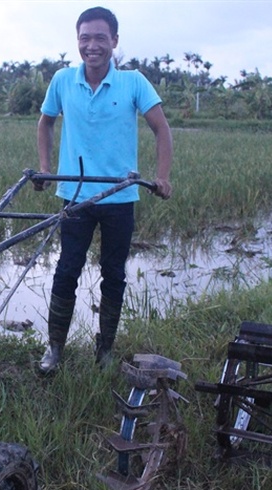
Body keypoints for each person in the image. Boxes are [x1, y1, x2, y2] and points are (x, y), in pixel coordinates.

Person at [36, 6, 173, 373]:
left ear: (114, 41)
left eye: (100, 38)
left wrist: (162, 177)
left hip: (119, 197)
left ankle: (105, 350)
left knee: (114, 273)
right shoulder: (63, 80)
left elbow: (161, 129)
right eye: (85, 38)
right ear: (77, 41)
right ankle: (54, 350)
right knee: (67, 269)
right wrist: (47, 169)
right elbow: (45, 123)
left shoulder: (134, 82)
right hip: (76, 196)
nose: (92, 45)